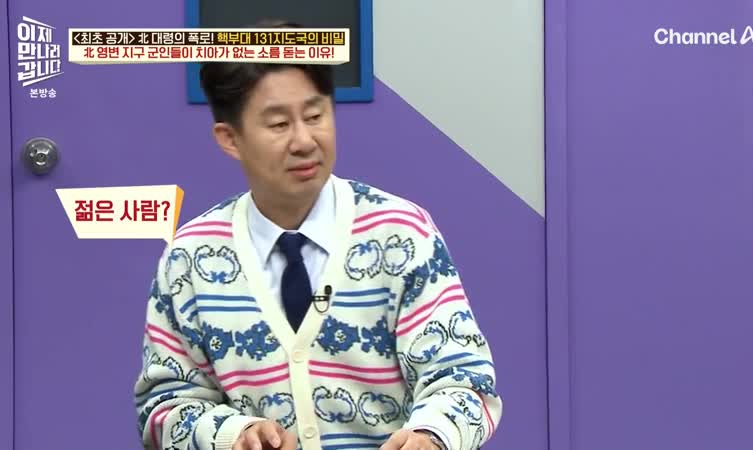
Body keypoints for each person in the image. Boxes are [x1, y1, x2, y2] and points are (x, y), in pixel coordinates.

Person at [134, 19, 502, 450]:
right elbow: (163, 405)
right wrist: (230, 435)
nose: (304, 141)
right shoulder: (191, 257)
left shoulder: (401, 234)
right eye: (278, 124)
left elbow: (463, 379)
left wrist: (432, 436)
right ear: (230, 138)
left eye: (315, 116)